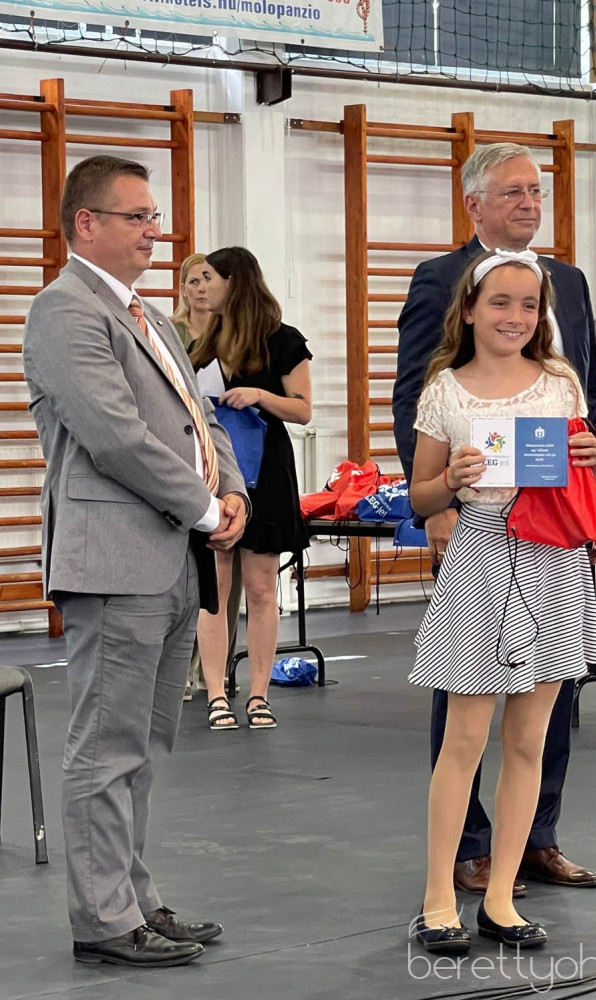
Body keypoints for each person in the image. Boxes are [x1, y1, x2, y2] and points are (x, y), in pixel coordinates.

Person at [23, 155, 249, 968]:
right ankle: (103, 920)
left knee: (145, 747)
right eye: (139, 217)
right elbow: (116, 435)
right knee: (106, 746)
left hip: (170, 557)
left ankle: (133, 898)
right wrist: (203, 508)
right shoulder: (63, 310)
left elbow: (200, 419)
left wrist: (234, 491)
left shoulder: (148, 315)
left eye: (155, 216)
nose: (156, 231)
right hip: (117, 562)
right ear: (86, 223)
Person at [393, 143, 596, 894]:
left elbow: (588, 400)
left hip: (558, 528)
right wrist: (437, 502)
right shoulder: (439, 279)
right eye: (513, 191)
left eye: (536, 190)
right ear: (474, 204)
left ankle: (537, 838)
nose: (529, 202)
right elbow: (417, 395)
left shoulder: (569, 282)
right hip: (477, 523)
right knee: (466, 699)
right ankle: (467, 848)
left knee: (550, 696)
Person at [190, 246, 312, 730]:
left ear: (233, 281)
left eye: (209, 278)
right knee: (216, 588)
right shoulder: (203, 343)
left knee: (261, 587)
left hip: (266, 471)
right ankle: (216, 693)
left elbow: (303, 409)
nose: (202, 287)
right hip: (217, 472)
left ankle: (259, 695)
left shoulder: (283, 340)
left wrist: (260, 394)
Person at [171, 252, 242, 701]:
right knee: (191, 564)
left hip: (231, 446)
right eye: (192, 280)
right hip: (187, 454)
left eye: (207, 279)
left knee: (227, 571)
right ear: (183, 288)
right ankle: (179, 666)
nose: (200, 287)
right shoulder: (171, 332)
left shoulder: (233, 334)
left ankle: (213, 668)